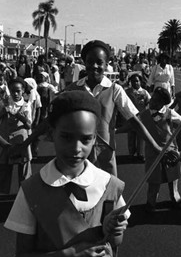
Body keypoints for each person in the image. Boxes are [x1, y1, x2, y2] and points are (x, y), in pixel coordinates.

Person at [4, 90, 128, 257]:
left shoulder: (109, 185)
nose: (76, 148)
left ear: (96, 139)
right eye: (66, 137)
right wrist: (68, 256)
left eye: (86, 139)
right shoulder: (32, 191)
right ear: (51, 134)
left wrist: (115, 233)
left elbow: (113, 248)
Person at [17, 40, 164, 177]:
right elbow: (50, 119)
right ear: (84, 63)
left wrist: (156, 146)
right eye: (90, 62)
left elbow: (134, 120)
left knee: (108, 196)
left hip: (105, 153)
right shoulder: (73, 89)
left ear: (107, 64)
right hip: (78, 154)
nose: (94, 66)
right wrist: (26, 143)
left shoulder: (115, 90)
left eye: (99, 62)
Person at [139, 87, 181, 212]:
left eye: (155, 99)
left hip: (170, 150)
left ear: (161, 103)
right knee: (154, 179)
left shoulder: (170, 113)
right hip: (152, 151)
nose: (151, 100)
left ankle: (175, 196)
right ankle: (151, 201)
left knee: (173, 177)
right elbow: (134, 125)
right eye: (152, 97)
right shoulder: (144, 114)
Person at [0, 77, 32, 194]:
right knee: (4, 170)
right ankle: (3, 196)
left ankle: (24, 197)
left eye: (18, 91)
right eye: (13, 91)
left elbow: (28, 124)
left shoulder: (26, 105)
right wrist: (4, 110)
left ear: (23, 90)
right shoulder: (5, 103)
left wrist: (16, 114)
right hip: (5, 142)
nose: (15, 93)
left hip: (21, 141)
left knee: (24, 172)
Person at [125, 73, 151, 161]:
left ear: (140, 82)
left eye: (137, 81)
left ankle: (141, 153)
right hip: (131, 117)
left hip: (142, 117)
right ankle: (131, 153)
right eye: (133, 81)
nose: (135, 83)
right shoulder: (127, 92)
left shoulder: (144, 92)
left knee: (141, 135)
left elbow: (149, 102)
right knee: (131, 135)